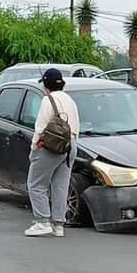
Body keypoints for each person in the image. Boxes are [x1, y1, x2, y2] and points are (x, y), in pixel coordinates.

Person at [25, 68, 80, 237]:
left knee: (35, 184)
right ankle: (58, 225)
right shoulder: (70, 100)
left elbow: (41, 126)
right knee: (60, 185)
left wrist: (34, 147)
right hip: (70, 144)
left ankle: (42, 222)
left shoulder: (47, 100)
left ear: (46, 84)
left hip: (51, 146)